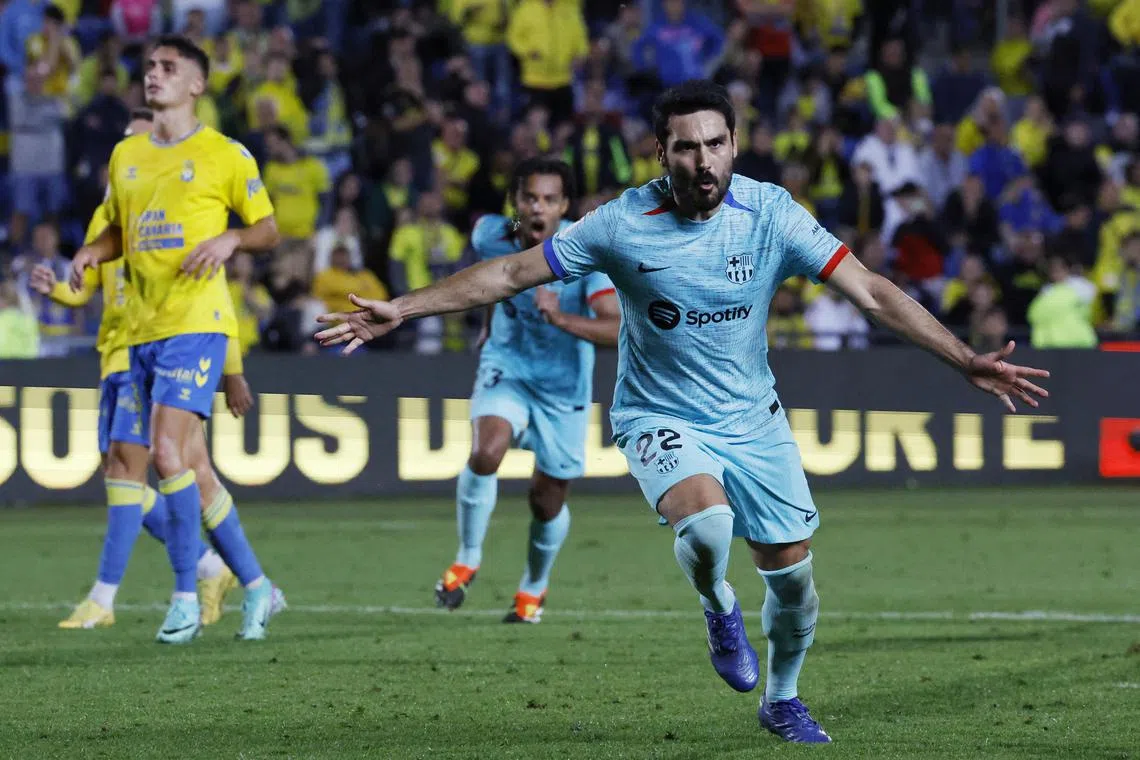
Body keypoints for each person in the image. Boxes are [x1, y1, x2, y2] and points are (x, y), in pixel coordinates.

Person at [315, 80, 1050, 744]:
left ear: (736, 144)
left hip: (753, 419)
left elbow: (872, 291)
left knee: (795, 581)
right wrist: (402, 309)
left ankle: (783, 700)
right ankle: (717, 603)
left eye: (716, 144)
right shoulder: (620, 224)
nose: (704, 161)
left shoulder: (770, 214)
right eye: (687, 147)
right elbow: (511, 271)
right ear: (659, 152)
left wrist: (965, 358)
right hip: (658, 414)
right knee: (707, 525)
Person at [70, 36, 282, 644]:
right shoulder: (126, 156)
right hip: (141, 327)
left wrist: (231, 240)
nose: (154, 76)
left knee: (165, 455)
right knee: (191, 465)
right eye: (150, 67)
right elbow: (119, 234)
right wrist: (92, 251)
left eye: (169, 68)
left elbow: (267, 228)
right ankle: (257, 585)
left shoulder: (225, 154)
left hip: (199, 322)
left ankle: (185, 597)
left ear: (197, 85)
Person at [29, 110, 269, 630]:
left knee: (151, 466)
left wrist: (231, 368)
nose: (138, 155)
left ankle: (120, 595)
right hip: (122, 352)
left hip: (166, 349)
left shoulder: (182, 210)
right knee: (140, 472)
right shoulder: (111, 219)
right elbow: (84, 289)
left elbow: (212, 294)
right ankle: (232, 575)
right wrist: (56, 288)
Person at [433, 158, 620, 624]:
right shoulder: (492, 234)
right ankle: (468, 558)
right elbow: (488, 275)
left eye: (550, 200)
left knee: (546, 499)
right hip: (508, 367)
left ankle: (532, 589)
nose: (539, 210)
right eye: (530, 199)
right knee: (487, 450)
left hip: (563, 389)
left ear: (564, 207)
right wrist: (490, 318)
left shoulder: (586, 251)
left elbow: (616, 328)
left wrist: (559, 317)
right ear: (516, 202)